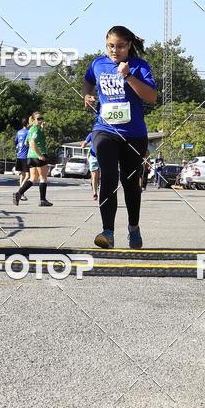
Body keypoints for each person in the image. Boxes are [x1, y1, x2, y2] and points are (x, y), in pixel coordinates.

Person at [84, 25, 157, 249]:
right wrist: (87, 94)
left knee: (130, 183)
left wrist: (128, 76)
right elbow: (88, 79)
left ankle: (133, 227)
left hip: (133, 134)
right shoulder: (98, 63)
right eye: (110, 46)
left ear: (129, 46)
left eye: (120, 46)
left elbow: (151, 96)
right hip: (104, 129)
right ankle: (108, 232)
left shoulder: (139, 66)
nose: (115, 51)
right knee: (107, 176)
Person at [13, 112, 51, 207]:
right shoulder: (36, 130)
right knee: (43, 178)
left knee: (33, 178)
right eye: (38, 119)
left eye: (42, 118)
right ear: (33, 120)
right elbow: (33, 142)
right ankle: (43, 200)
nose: (41, 120)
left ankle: (19, 193)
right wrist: (39, 155)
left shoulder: (31, 129)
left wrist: (42, 128)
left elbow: (26, 143)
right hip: (38, 156)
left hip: (30, 157)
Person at [14, 119, 30, 200]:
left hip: (19, 155)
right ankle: (20, 192)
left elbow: (15, 142)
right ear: (27, 124)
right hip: (25, 156)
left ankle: (21, 194)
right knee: (28, 176)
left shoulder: (18, 132)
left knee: (22, 176)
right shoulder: (28, 132)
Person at [81, 132, 100, 200]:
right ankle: (95, 193)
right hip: (93, 156)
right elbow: (85, 143)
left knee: (101, 176)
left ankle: (101, 189)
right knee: (95, 176)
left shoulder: (106, 133)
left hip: (103, 157)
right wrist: (83, 145)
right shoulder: (92, 134)